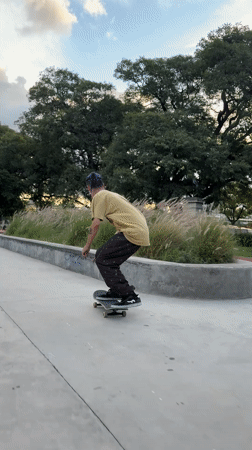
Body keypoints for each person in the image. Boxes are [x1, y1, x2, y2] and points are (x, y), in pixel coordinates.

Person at [82, 172, 150, 307]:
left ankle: (128, 295)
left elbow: (95, 224)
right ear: (103, 184)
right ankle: (117, 291)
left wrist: (87, 245)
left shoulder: (99, 196)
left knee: (102, 258)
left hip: (132, 232)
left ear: (89, 188)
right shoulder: (112, 194)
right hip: (137, 231)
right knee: (106, 258)